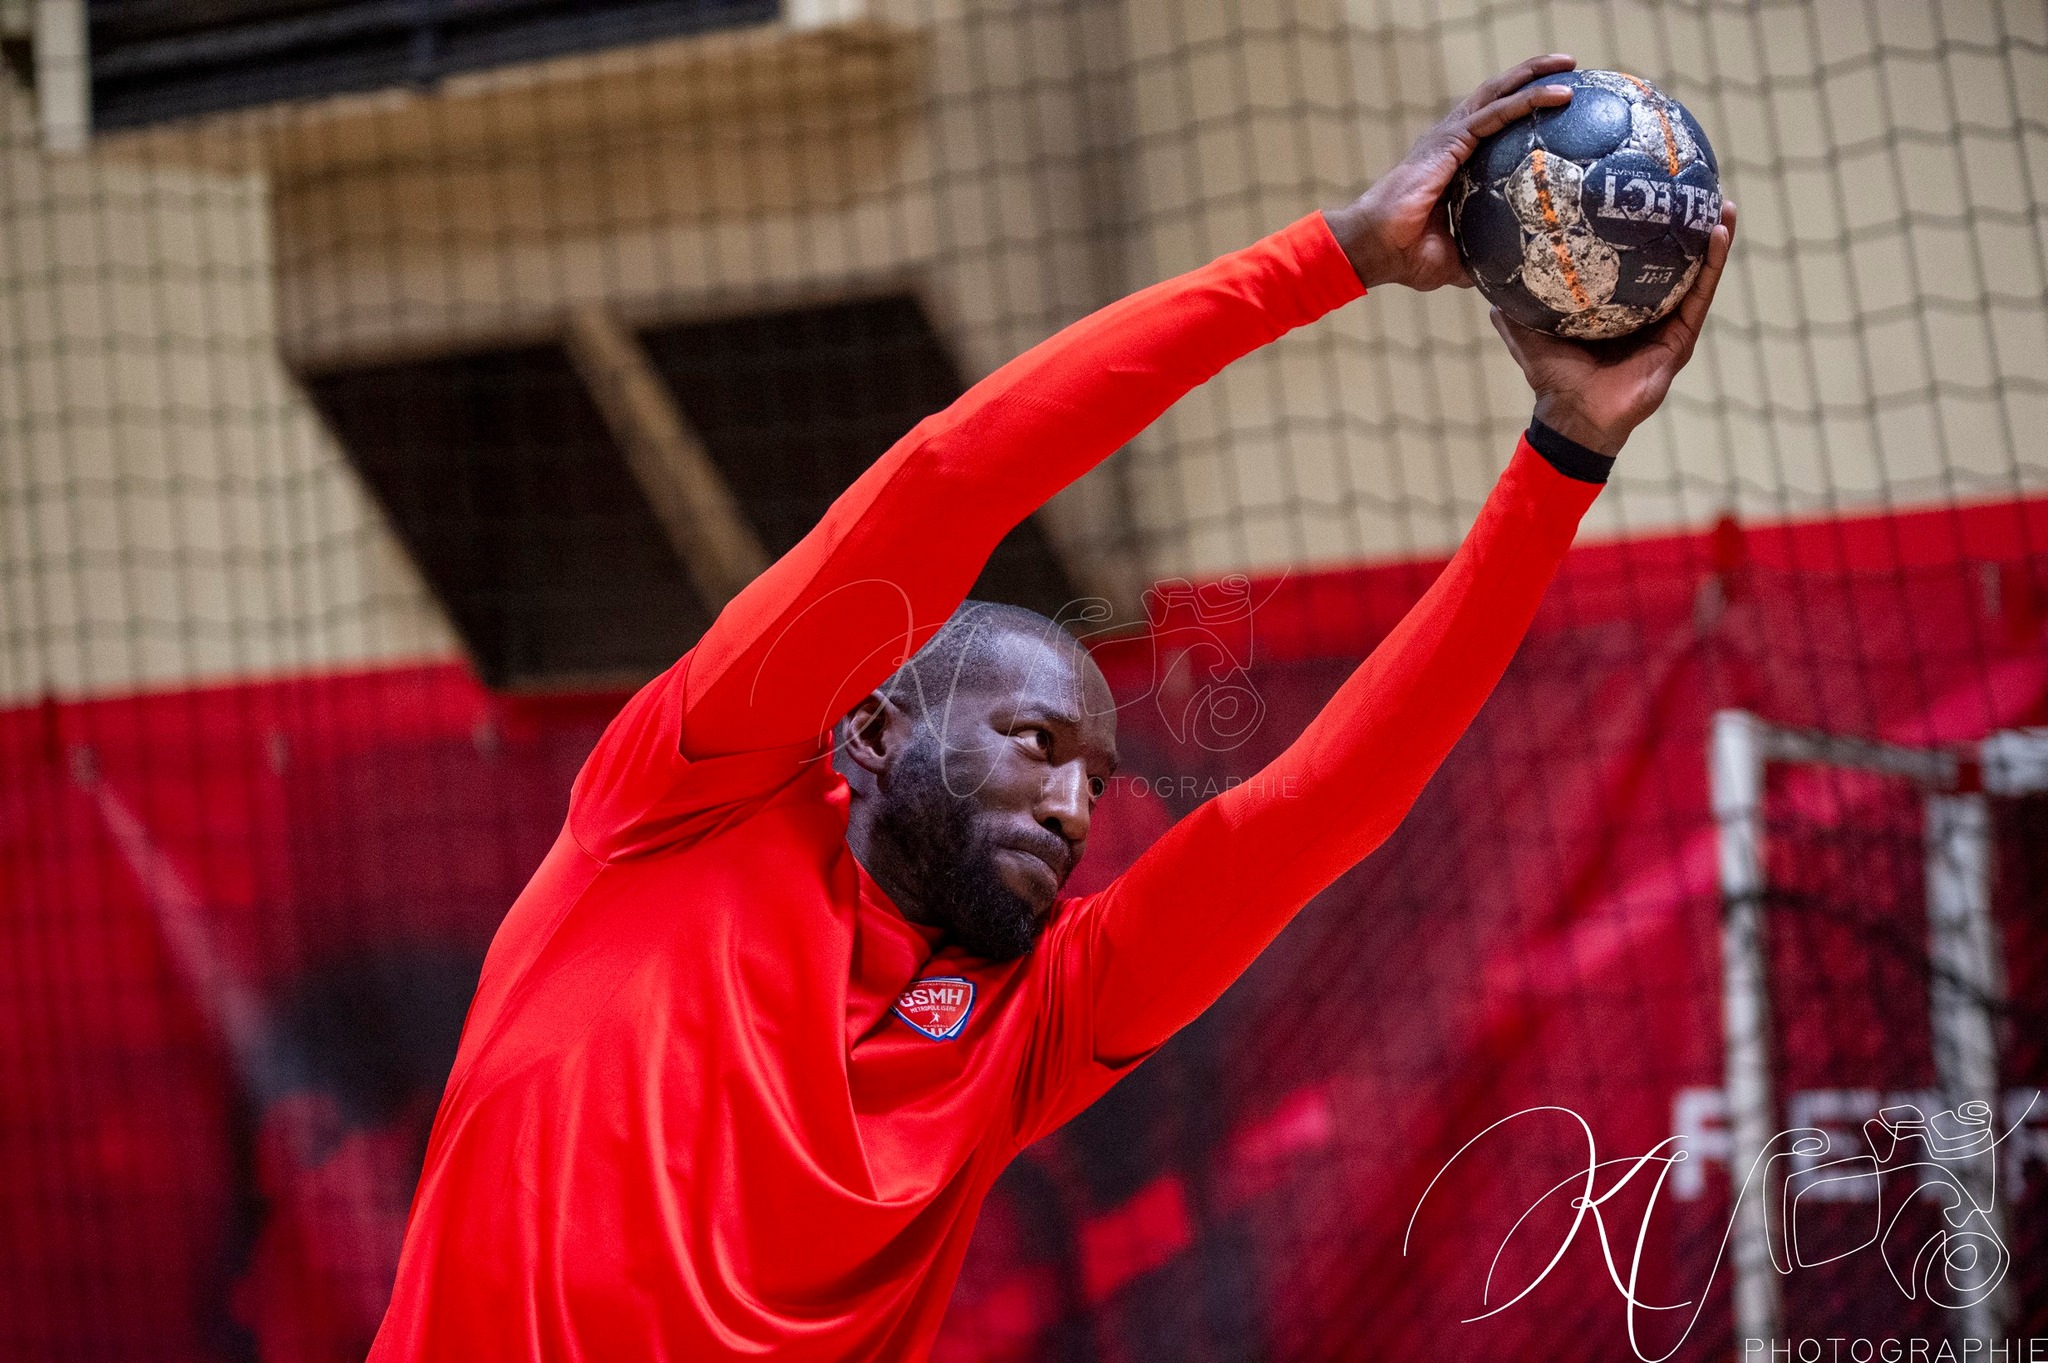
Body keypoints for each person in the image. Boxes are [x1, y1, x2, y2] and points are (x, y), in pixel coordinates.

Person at [369, 54, 1736, 1362]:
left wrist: (1570, 452)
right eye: (1038, 744)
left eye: (1098, 772)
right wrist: (1331, 258)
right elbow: (950, 483)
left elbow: (1322, 813)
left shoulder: (1034, 1022)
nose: (1081, 803)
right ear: (872, 731)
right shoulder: (683, 805)